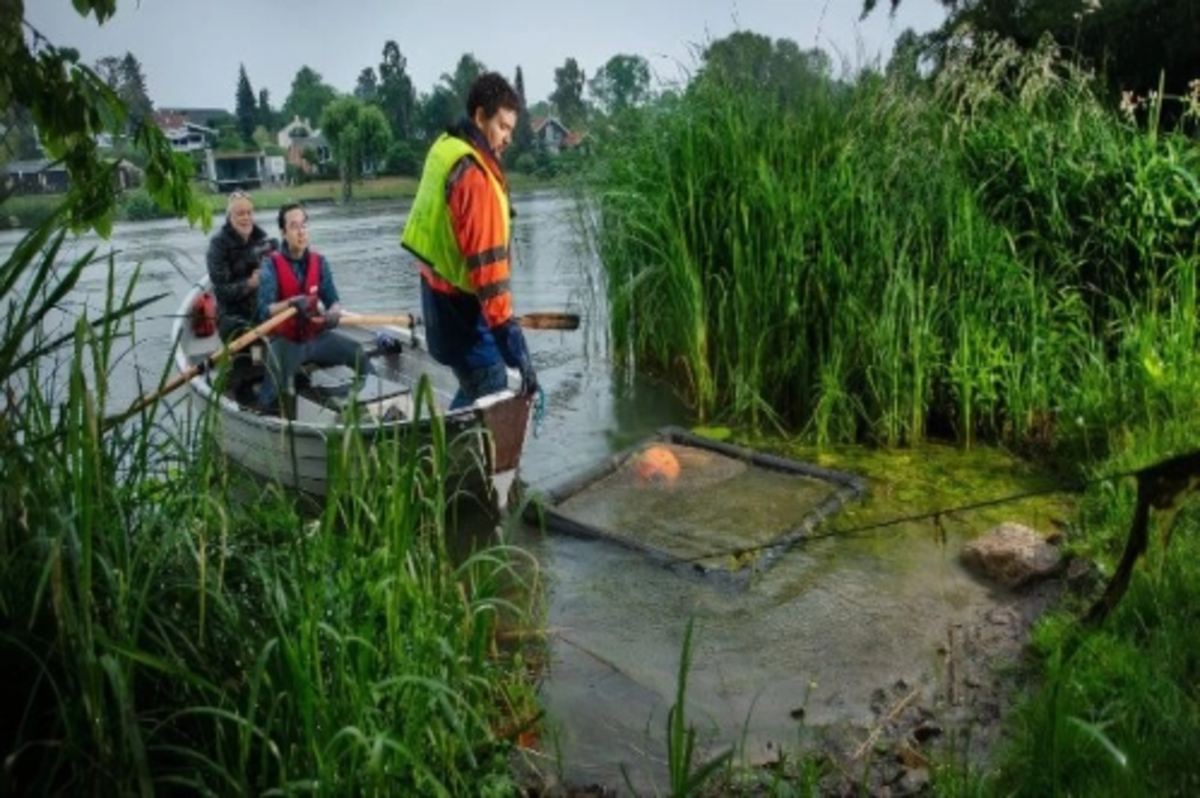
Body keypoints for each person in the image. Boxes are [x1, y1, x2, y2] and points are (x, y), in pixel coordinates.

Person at [400, 71, 537, 410]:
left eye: (511, 130)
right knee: (492, 385)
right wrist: (515, 346)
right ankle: (448, 456)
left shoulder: (445, 147)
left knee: (476, 385)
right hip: (459, 314)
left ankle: (443, 441)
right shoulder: (476, 178)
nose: (507, 138)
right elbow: (490, 281)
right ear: (479, 116)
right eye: (502, 127)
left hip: (434, 298)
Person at [255, 202, 375, 416]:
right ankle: (268, 414)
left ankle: (371, 406)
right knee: (270, 397)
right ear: (283, 232)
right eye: (294, 226)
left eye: (304, 225)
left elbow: (333, 300)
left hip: (317, 338)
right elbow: (264, 311)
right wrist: (291, 303)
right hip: (287, 342)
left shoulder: (320, 262)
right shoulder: (270, 265)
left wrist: (334, 312)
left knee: (359, 354)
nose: (301, 232)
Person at [206, 190, 276, 340]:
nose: (246, 218)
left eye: (249, 213)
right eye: (240, 213)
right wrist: (251, 283)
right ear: (229, 217)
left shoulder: (262, 241)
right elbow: (221, 292)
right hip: (231, 316)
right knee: (251, 349)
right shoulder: (218, 246)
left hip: (261, 309)